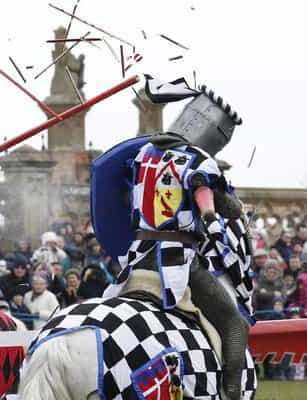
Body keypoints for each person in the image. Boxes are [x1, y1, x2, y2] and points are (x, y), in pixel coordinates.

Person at [103, 83, 251, 399]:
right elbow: (219, 204)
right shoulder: (198, 160)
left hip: (135, 257)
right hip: (176, 260)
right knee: (235, 324)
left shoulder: (143, 153)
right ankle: (232, 393)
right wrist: (230, 204)